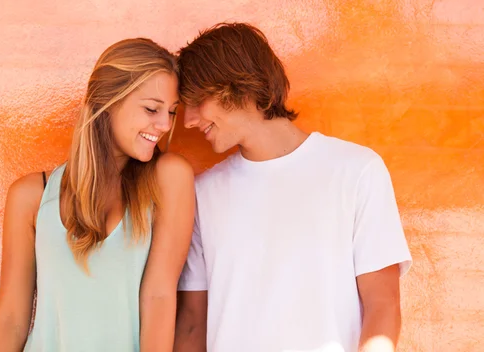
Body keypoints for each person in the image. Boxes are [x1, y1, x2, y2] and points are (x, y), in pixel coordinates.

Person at [173, 23, 412, 352]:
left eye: (198, 101)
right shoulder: (201, 194)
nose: (188, 121)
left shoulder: (357, 171)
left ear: (240, 87)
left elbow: (382, 305)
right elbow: (191, 324)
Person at [0, 38, 195, 352]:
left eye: (172, 112)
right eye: (152, 108)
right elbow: (11, 319)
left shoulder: (169, 177)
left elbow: (159, 296)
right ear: (107, 101)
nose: (165, 124)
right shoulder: (30, 197)